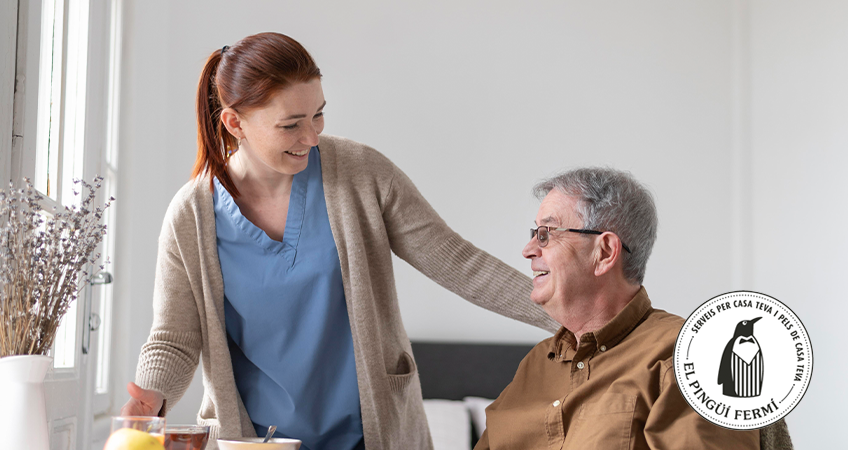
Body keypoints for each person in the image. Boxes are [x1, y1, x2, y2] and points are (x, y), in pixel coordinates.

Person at [120, 32, 558, 450]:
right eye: (291, 125)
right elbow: (174, 336)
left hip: (372, 434)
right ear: (235, 123)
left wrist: (569, 313)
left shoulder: (360, 172)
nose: (311, 137)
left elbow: (459, 262)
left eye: (318, 115)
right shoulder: (192, 215)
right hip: (257, 440)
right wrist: (151, 397)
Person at [474, 167, 792, 449]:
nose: (528, 250)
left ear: (605, 251)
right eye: (534, 234)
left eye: (546, 234)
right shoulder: (534, 366)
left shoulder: (687, 357)